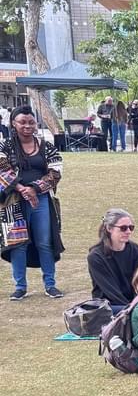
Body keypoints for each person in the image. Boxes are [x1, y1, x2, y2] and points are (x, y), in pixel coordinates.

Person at [1, 106, 65, 300]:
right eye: (22, 122)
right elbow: (2, 169)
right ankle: (20, 286)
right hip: (13, 202)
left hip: (41, 200)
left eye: (31, 122)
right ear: (13, 123)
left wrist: (35, 189)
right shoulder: (5, 146)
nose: (27, 126)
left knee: (44, 242)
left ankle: (50, 284)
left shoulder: (46, 146)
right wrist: (22, 188)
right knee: (18, 244)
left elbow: (56, 171)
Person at [88, 208, 138, 313]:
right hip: (109, 306)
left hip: (135, 304)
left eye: (131, 227)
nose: (128, 231)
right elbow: (111, 291)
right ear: (109, 228)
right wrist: (131, 310)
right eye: (123, 228)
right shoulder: (96, 257)